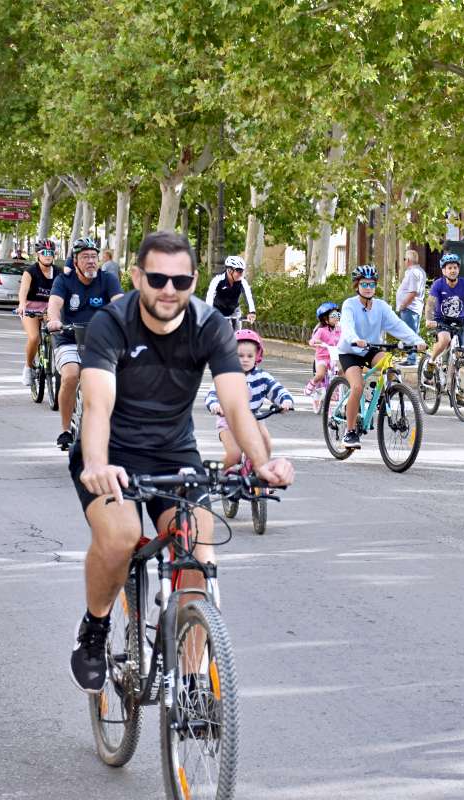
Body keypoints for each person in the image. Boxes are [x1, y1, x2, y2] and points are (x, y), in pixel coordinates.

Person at [68, 231, 294, 693]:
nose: (169, 289)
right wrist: (95, 462)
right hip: (110, 450)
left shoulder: (210, 325)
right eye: (157, 278)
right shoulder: (112, 323)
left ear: (193, 282)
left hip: (174, 451)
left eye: (181, 280)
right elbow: (96, 406)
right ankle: (94, 630)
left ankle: (190, 681)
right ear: (137, 278)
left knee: (196, 545)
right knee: (122, 536)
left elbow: (235, 405)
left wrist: (262, 463)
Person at [335, 264, 427, 449]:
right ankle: (350, 432)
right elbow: (347, 325)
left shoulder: (381, 306)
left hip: (371, 348)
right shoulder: (350, 305)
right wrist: (355, 339)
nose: (368, 288)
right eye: (364, 284)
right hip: (350, 351)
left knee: (391, 365)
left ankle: (385, 395)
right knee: (357, 386)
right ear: (357, 286)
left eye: (371, 284)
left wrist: (417, 340)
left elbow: (397, 325)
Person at [47, 237, 124, 450]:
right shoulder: (64, 281)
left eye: (93, 256)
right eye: (85, 257)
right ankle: (65, 430)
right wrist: (54, 320)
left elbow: (119, 302)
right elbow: (54, 303)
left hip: (100, 339)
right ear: (76, 261)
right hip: (68, 336)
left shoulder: (107, 279)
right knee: (71, 375)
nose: (91, 261)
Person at [205, 329, 293, 469]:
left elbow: (277, 390)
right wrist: (215, 405)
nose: (245, 359)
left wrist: (285, 401)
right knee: (234, 455)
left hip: (253, 419)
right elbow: (212, 394)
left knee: (265, 442)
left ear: (257, 356)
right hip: (228, 420)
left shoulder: (262, 377)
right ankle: (217, 476)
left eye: (249, 356)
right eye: (240, 355)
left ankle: (262, 472)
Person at [424, 252, 464, 369]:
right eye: (449, 268)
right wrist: (428, 319)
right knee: (445, 340)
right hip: (442, 320)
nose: (453, 270)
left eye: (455, 268)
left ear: (458, 269)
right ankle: (431, 361)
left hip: (460, 321)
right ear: (444, 271)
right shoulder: (438, 284)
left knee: (460, 354)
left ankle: (452, 381)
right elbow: (430, 303)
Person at [16, 239, 58, 386]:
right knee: (34, 337)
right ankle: (28, 367)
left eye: (50, 253)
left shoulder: (58, 272)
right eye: (44, 253)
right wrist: (22, 305)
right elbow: (23, 291)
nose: (48, 256)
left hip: (49, 307)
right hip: (31, 307)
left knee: (57, 333)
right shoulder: (30, 272)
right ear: (37, 255)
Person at [304, 301, 342, 409]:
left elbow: (345, 339)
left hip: (334, 357)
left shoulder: (339, 330)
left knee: (342, 373)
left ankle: (338, 389)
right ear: (325, 319)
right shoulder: (321, 330)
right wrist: (315, 342)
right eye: (333, 316)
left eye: (338, 315)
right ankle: (311, 384)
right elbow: (312, 340)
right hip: (322, 358)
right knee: (320, 374)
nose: (337, 318)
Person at [395, 249, 428, 365]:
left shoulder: (413, 272)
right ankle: (410, 357)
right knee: (411, 333)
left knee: (410, 333)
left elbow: (413, 292)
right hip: (412, 308)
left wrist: (403, 305)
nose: (404, 261)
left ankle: (411, 359)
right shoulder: (418, 271)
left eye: (404, 259)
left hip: (410, 308)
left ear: (408, 260)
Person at [204, 255, 256, 328]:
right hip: (218, 310)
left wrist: (252, 312)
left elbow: (248, 296)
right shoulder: (218, 280)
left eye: (242, 271)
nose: (241, 274)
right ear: (229, 270)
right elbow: (210, 296)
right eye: (239, 271)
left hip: (234, 310)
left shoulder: (242, 281)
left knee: (237, 334)